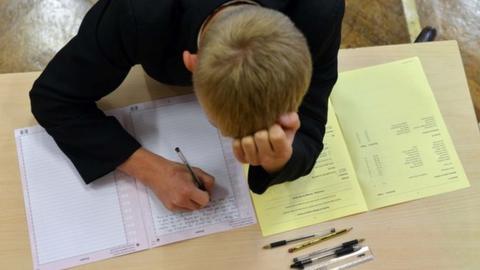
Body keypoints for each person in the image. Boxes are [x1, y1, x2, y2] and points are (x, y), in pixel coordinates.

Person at [29, 0, 345, 212]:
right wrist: (149, 169)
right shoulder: (138, 13)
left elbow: (311, 121)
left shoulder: (318, 12)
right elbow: (53, 98)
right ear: (190, 63)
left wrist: (282, 158)